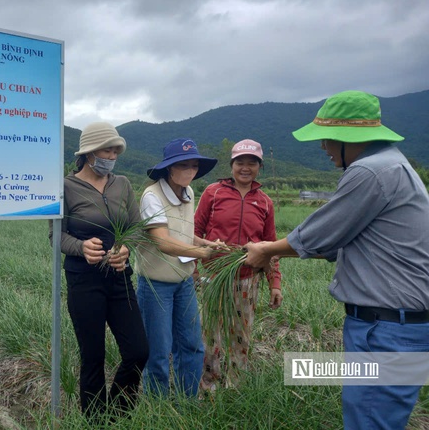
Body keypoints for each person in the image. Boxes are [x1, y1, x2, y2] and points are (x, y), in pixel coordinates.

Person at [244, 90, 429, 429]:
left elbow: (319, 235)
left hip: (384, 330)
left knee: (370, 420)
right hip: (396, 326)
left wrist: (266, 250)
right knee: (380, 417)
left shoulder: (370, 172)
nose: (323, 148)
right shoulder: (393, 163)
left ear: (348, 138)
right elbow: (336, 242)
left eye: (327, 139)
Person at [49, 122, 149, 420]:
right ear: (90, 152)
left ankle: (118, 416)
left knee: (137, 351)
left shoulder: (123, 184)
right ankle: (95, 421)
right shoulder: (65, 187)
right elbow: (57, 236)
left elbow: (135, 228)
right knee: (93, 357)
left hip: (119, 279)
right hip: (84, 282)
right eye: (108, 149)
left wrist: (126, 247)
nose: (113, 155)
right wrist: (81, 248)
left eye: (116, 151)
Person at [194, 139, 283, 389]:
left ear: (259, 167)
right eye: (240, 163)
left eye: (252, 163)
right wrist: (193, 265)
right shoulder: (213, 192)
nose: (246, 168)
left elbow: (271, 246)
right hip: (214, 277)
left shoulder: (265, 201)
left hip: (248, 279)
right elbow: (194, 230)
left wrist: (274, 283)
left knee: (241, 335)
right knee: (210, 334)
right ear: (232, 165)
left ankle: (236, 387)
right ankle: (209, 387)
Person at [135, 138, 219, 397]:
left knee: (192, 346)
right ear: (169, 168)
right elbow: (162, 240)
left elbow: (183, 232)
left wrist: (206, 243)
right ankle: (157, 408)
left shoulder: (189, 192)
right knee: (158, 351)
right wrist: (200, 253)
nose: (190, 171)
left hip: (183, 283)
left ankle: (188, 402)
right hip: (156, 286)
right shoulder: (152, 196)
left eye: (194, 166)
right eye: (183, 165)